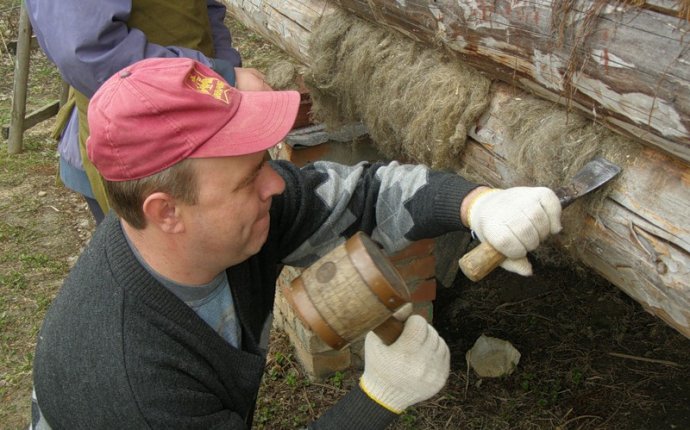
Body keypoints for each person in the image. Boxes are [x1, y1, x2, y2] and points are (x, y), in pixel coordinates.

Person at [31, 57, 563, 429]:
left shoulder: (226, 227)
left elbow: (368, 194)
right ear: (167, 212)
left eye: (265, 162)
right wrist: (377, 399)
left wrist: (480, 206)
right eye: (249, 178)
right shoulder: (132, 383)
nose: (277, 184)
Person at [25, 0, 270, 224]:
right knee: (177, 261)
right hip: (137, 144)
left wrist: (222, 77)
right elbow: (89, 55)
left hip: (203, 117)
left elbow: (204, 11)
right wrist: (216, 78)